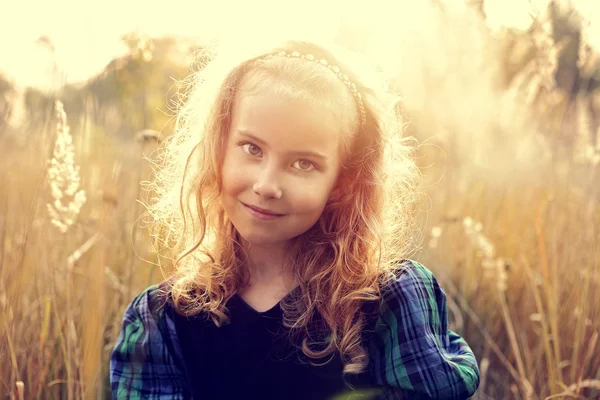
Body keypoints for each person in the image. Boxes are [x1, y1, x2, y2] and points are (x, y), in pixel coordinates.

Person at [110, 36, 480, 399]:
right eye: (251, 148)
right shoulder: (162, 319)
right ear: (218, 148)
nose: (266, 185)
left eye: (303, 163)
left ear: (341, 183)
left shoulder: (389, 300)